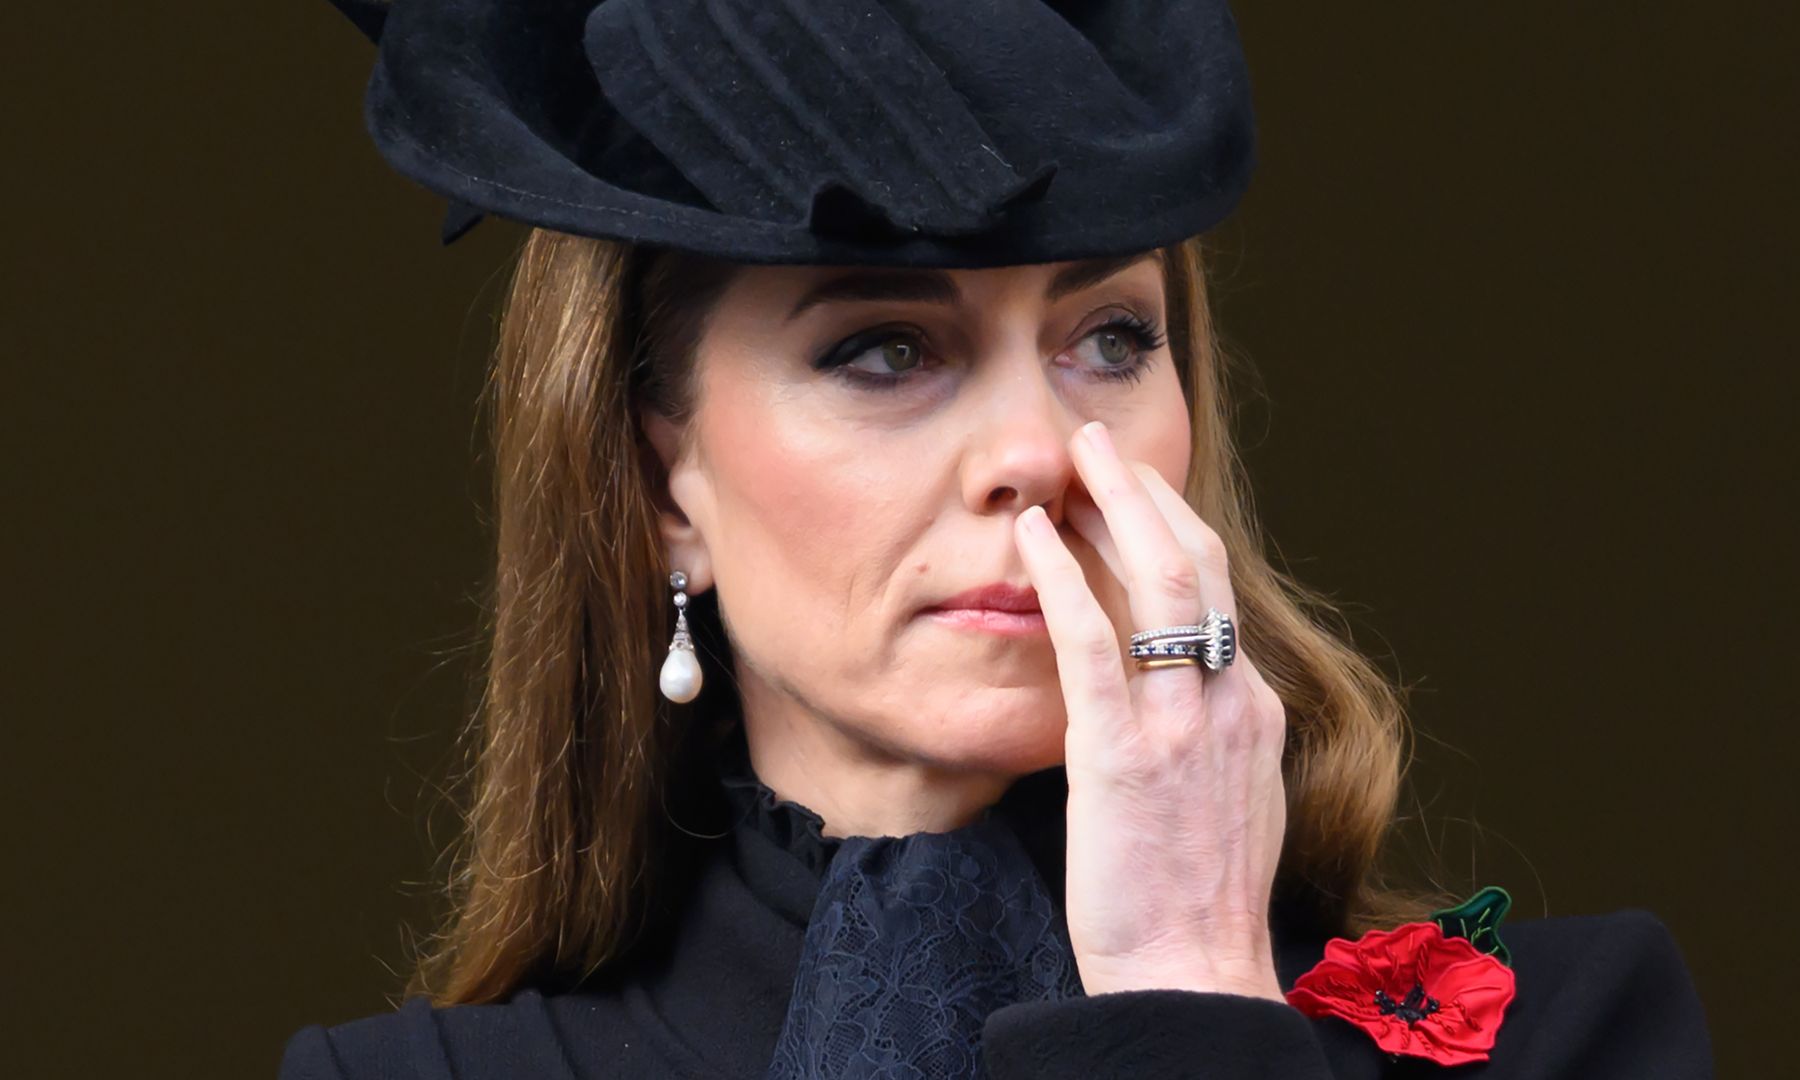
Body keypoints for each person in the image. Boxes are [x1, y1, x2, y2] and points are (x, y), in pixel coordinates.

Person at [282, 2, 1714, 1077]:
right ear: (664, 489)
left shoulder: (1554, 1035)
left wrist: (1189, 992)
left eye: (1110, 337)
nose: (1036, 453)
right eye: (886, 351)